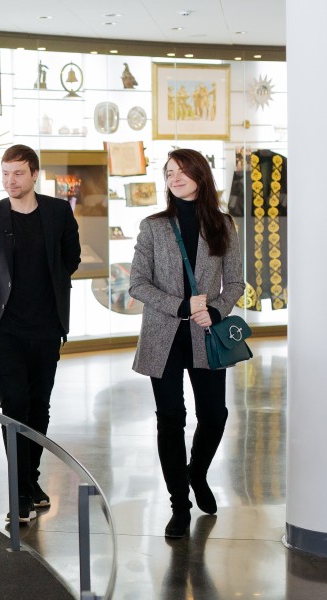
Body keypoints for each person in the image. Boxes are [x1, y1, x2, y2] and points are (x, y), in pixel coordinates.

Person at [129, 148, 244, 538]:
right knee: (170, 419)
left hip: (206, 335)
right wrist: (180, 306)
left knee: (214, 415)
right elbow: (137, 283)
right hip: (162, 336)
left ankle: (197, 473)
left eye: (182, 171)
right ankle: (179, 505)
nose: (175, 178)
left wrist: (216, 310)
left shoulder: (223, 225)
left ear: (200, 175)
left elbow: (236, 282)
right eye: (169, 173)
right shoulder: (153, 226)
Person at [0, 144, 81, 523]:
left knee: (39, 406)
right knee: (14, 405)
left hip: (47, 327)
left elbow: (72, 259)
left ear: (34, 174)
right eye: (5, 173)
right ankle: (19, 493)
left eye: (17, 173)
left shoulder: (58, 212)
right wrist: (2, 294)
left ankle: (31, 481)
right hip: (5, 330)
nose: (10, 181)